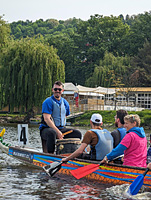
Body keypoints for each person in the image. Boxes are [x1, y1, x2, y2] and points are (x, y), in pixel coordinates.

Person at [39, 80, 82, 153]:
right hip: (47, 129)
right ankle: (50, 154)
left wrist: (60, 131)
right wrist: (57, 131)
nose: (57, 91)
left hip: (61, 129)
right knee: (52, 133)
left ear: (62, 91)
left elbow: (65, 115)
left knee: (77, 133)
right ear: (53, 90)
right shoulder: (48, 102)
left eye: (59, 89)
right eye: (55, 89)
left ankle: (70, 152)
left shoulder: (65, 103)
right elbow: (47, 119)